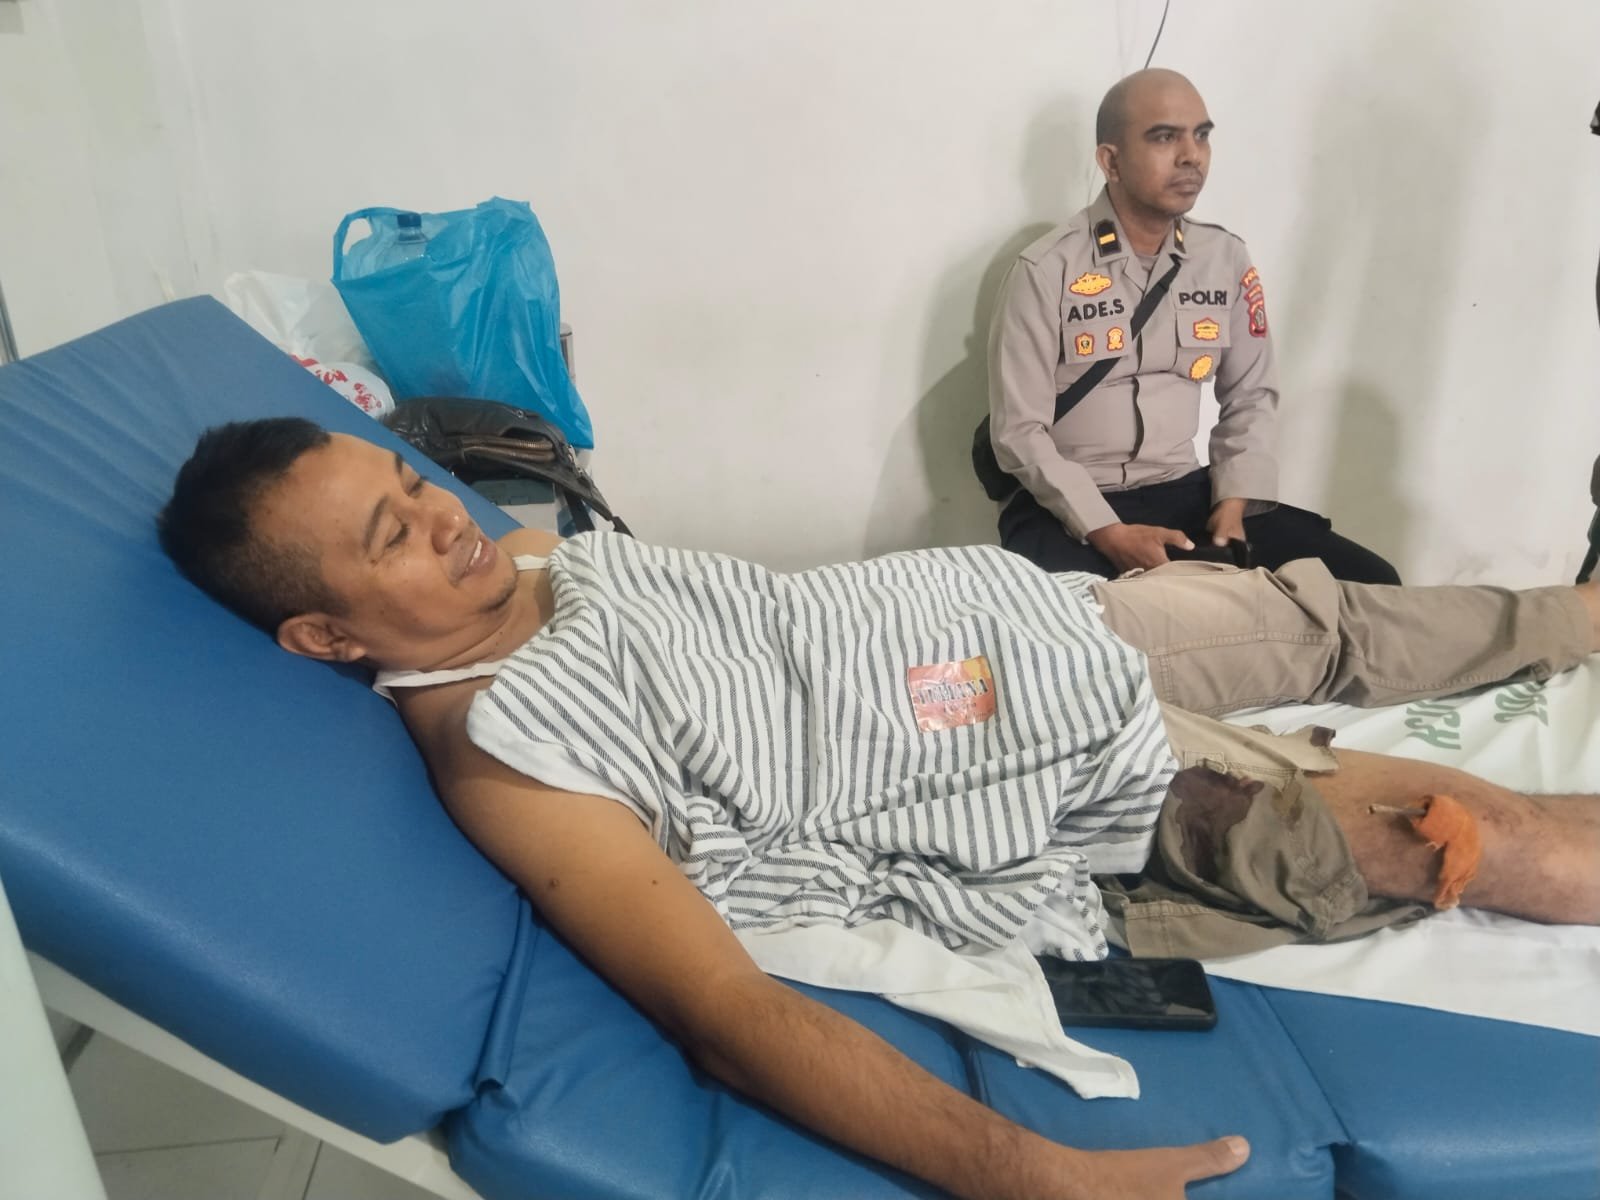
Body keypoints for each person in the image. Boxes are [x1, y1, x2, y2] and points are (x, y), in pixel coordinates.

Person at [160, 420, 1600, 1200]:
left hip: (1032, 637)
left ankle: (1569, 620)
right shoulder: (512, 752)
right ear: (326, 637)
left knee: (1335, 627)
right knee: (1468, 830)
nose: (445, 518)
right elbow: (726, 1011)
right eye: (392, 535)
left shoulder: (516, 562)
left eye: (410, 481)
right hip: (1064, 784)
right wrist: (1034, 1180)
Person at [988, 69, 1399, 585]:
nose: (1191, 156)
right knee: (1096, 619)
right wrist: (1107, 531)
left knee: (1371, 581)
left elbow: (1251, 395)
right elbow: (1019, 432)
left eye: (1201, 135)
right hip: (1070, 510)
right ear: (1111, 161)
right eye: (1164, 137)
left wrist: (1232, 503)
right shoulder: (1046, 269)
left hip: (1185, 493)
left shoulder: (1223, 258)